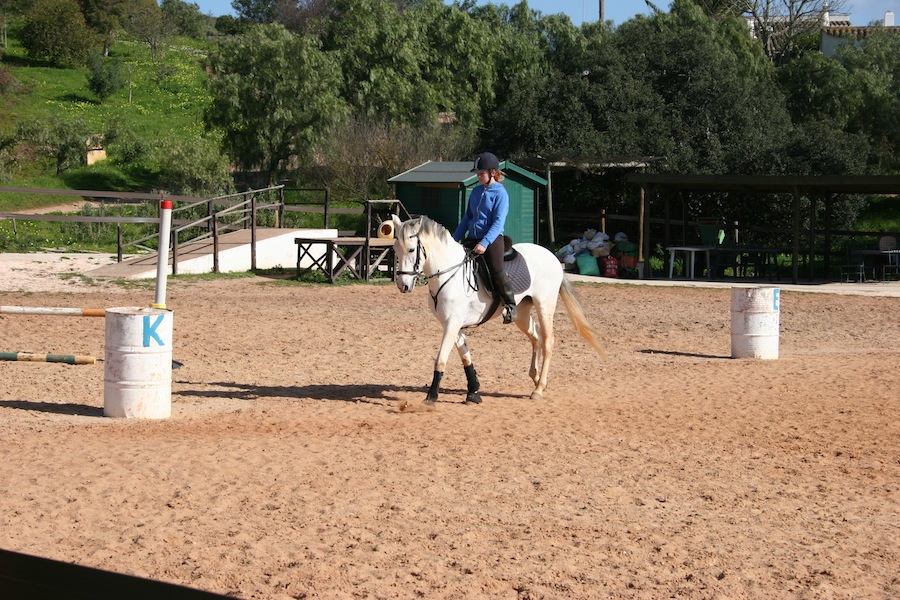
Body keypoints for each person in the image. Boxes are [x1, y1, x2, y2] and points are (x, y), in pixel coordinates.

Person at [453, 152, 517, 324]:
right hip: (472, 237)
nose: (479, 176)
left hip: (492, 239)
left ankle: (510, 304)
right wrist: (454, 239)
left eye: (482, 174)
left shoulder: (500, 193)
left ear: (493, 173)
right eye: (478, 174)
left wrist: (484, 243)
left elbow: (498, 222)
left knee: (496, 268)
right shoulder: (476, 191)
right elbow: (467, 218)